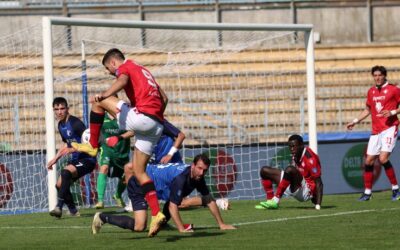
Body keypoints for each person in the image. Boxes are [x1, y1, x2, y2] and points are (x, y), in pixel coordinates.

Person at [72, 48, 168, 237]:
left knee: (99, 102)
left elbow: (122, 80)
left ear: (114, 63)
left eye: (109, 69)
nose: (110, 73)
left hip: (143, 117)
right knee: (139, 172)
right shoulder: (144, 70)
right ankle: (157, 213)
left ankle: (92, 145)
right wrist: (154, 117)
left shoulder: (126, 67)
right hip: (157, 125)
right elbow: (164, 98)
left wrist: (104, 94)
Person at [91, 154, 236, 234]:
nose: (201, 173)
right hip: (139, 184)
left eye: (204, 170)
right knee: (139, 227)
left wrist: (221, 224)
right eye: (199, 168)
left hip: (155, 186)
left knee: (177, 201)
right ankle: (102, 217)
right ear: (192, 166)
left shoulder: (197, 177)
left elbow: (209, 199)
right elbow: (173, 207)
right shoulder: (181, 178)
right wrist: (181, 229)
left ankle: (162, 224)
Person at [347, 65, 400, 201]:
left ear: (384, 76)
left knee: (383, 159)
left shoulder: (393, 90)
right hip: (376, 131)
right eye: (375, 75)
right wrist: (355, 121)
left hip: (389, 128)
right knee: (369, 160)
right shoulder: (371, 91)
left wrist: (393, 112)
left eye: (379, 75)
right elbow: (368, 110)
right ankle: (367, 193)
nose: (377, 78)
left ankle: (395, 189)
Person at [47, 97, 97, 218]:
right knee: (59, 185)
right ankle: (73, 211)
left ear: (67, 109)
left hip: (87, 159)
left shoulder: (76, 123)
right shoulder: (60, 125)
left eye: (62, 108)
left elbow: (90, 143)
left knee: (65, 173)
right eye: (56, 109)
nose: (59, 112)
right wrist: (55, 159)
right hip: (76, 160)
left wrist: (74, 148)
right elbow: (67, 144)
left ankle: (58, 206)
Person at [255, 134, 323, 210]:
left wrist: (317, 204)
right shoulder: (296, 153)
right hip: (295, 185)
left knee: (290, 169)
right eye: (290, 146)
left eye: (294, 146)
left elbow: (319, 183)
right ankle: (270, 202)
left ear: (301, 145)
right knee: (264, 171)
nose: (292, 149)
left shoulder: (310, 159)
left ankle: (276, 200)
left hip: (306, 192)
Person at [95, 112, 134, 209]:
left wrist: (119, 137)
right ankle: (100, 201)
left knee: (125, 177)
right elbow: (95, 130)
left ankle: (117, 195)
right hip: (107, 150)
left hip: (122, 152)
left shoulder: (125, 117)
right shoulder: (101, 117)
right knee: (104, 168)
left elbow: (133, 132)